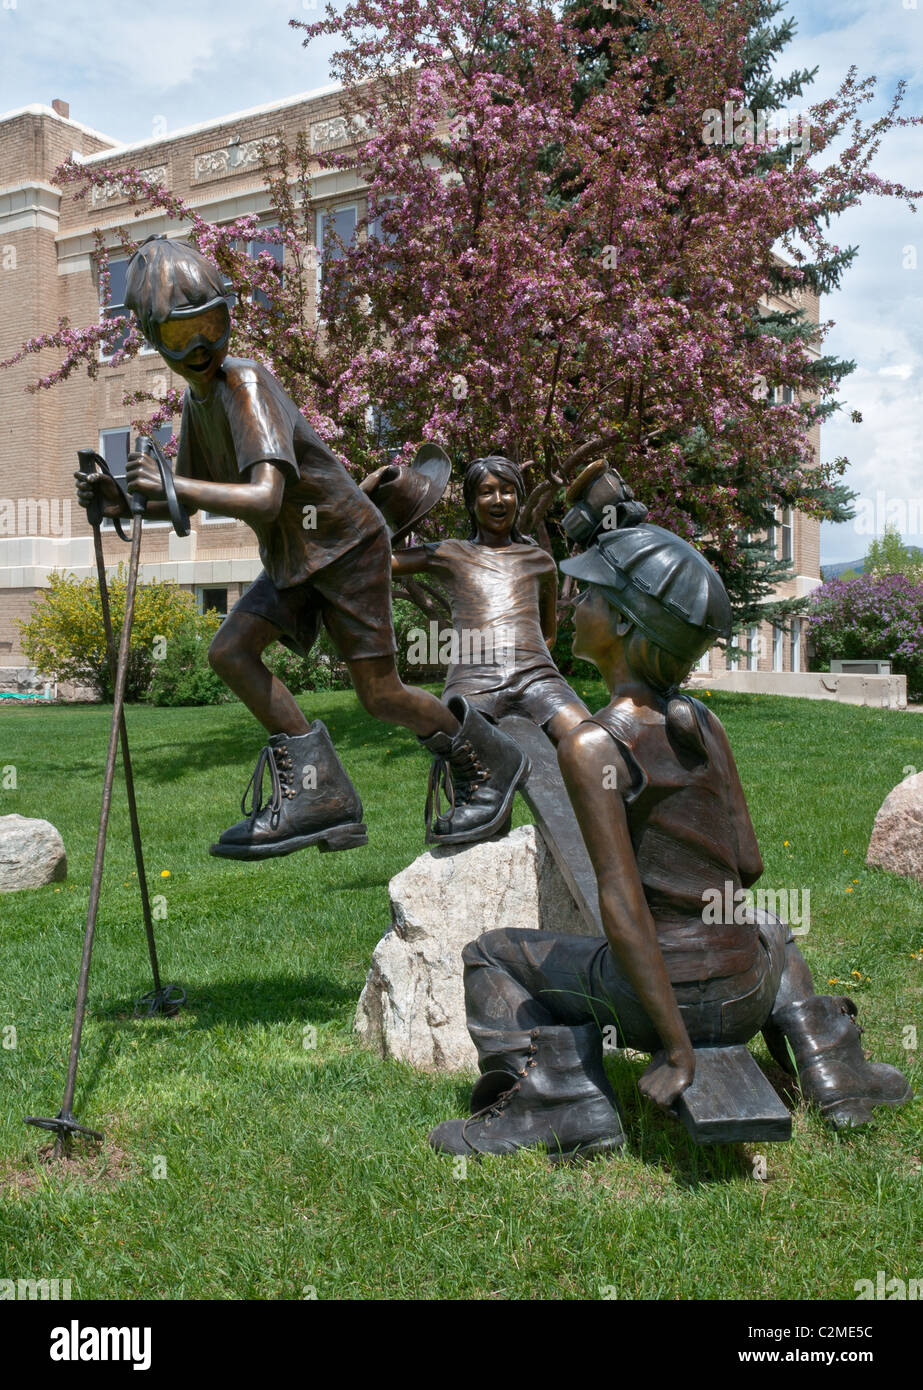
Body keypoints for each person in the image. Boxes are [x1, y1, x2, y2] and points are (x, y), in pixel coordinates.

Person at [429, 514, 912, 1160]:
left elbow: (622, 904)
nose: (574, 604)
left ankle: (563, 1104)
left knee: (489, 955)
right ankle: (833, 1073)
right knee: (771, 928)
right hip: (746, 991)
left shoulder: (591, 744)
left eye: (592, 595)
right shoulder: (703, 722)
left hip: (660, 1003)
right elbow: (749, 864)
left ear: (625, 624)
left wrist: (676, 1046)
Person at [74, 235, 529, 859]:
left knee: (380, 695)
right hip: (294, 560)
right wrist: (121, 502)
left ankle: (491, 760)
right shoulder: (199, 400)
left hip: (343, 547)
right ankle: (323, 795)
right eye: (183, 338)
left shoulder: (245, 384)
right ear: (155, 342)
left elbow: (262, 497)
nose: (203, 348)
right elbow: (199, 498)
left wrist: (169, 484)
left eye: (212, 325)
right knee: (232, 652)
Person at [391, 455, 590, 745]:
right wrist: (391, 509)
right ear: (472, 503)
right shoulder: (450, 553)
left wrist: (522, 655)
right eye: (486, 492)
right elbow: (379, 562)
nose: (499, 500)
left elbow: (547, 635)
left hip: (538, 679)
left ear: (519, 499)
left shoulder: (540, 562)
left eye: (508, 491)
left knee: (589, 740)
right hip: (473, 681)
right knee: (464, 753)